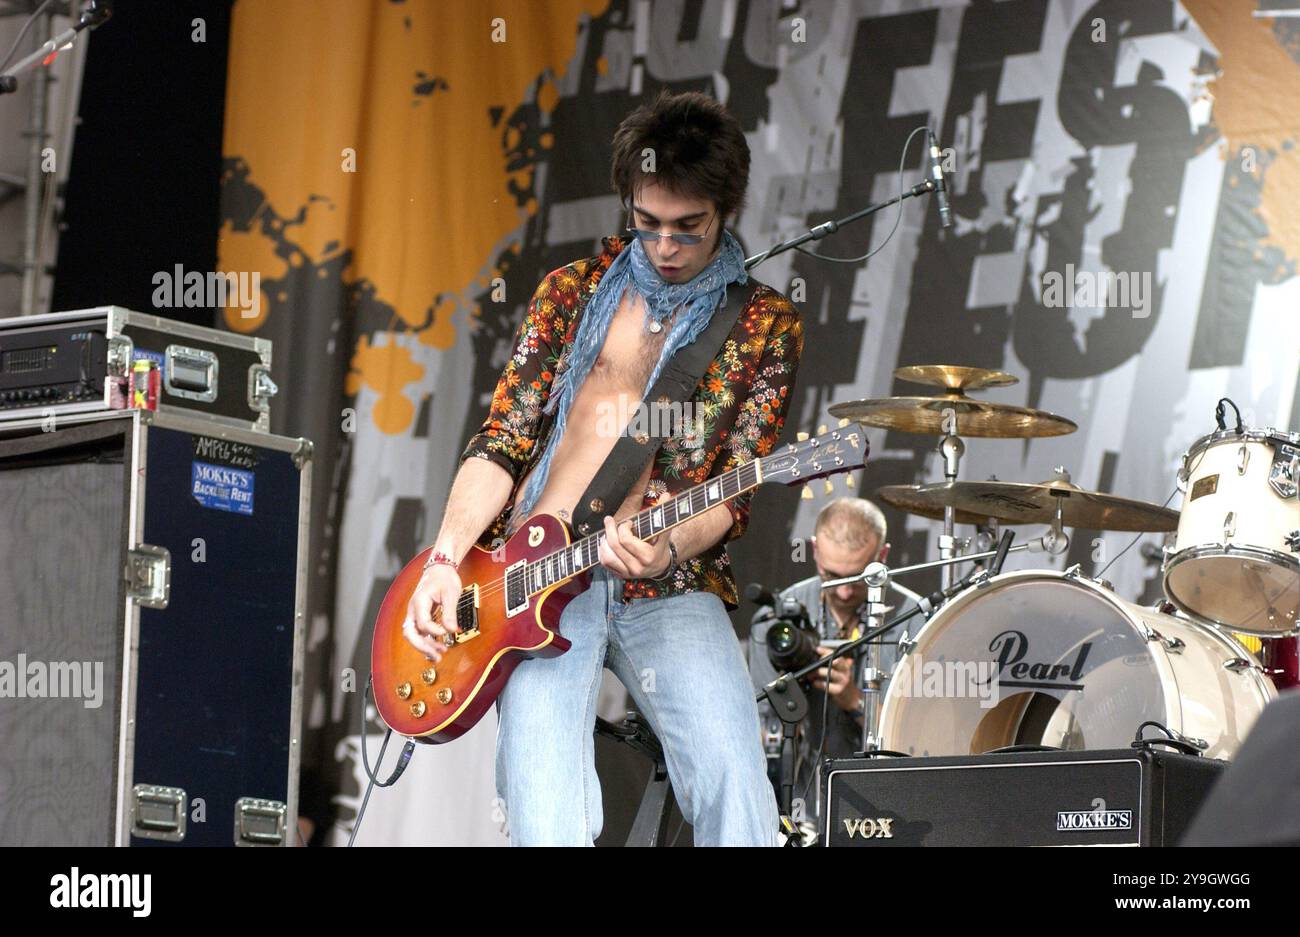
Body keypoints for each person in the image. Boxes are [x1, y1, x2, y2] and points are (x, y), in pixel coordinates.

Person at [403, 89, 804, 846]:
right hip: (534, 582)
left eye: (689, 229)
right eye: (646, 224)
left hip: (667, 582)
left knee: (737, 792)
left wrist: (669, 544)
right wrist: (446, 557)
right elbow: (502, 441)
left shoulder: (762, 325)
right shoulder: (570, 293)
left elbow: (735, 492)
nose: (664, 247)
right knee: (546, 812)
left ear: (727, 210)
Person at [749, 497, 921, 839]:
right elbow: (760, 734)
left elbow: (920, 743)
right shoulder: (776, 621)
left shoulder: (915, 618)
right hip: (798, 804)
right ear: (814, 550)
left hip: (886, 807)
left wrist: (856, 701)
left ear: (883, 556)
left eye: (858, 577)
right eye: (831, 576)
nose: (843, 591)